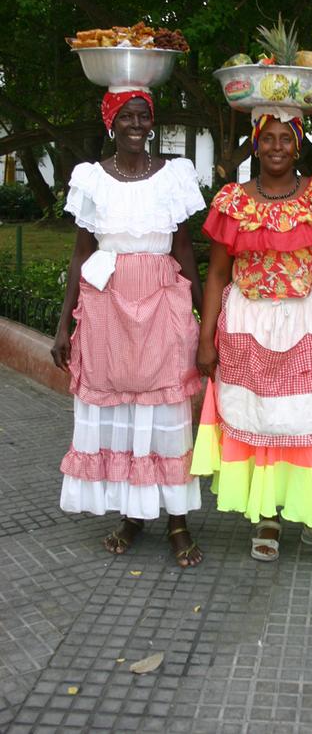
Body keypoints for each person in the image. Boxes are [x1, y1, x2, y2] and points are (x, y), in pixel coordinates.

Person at [191, 109, 312, 561]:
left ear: (298, 144)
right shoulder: (234, 201)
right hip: (248, 320)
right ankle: (268, 516)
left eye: (286, 138)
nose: (277, 147)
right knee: (261, 417)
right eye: (268, 139)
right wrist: (207, 339)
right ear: (256, 143)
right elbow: (217, 274)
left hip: (305, 320)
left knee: (311, 416)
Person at [51, 89, 205, 567]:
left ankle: (177, 521)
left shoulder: (174, 177)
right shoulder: (92, 179)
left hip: (161, 299)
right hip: (105, 304)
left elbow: (183, 251)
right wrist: (62, 326)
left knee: (165, 408)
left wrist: (207, 317)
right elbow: (81, 254)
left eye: (144, 116)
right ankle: (133, 515)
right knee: (121, 408)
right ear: (111, 124)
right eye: (127, 117)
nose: (137, 124)